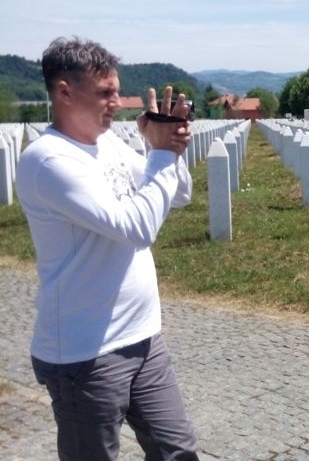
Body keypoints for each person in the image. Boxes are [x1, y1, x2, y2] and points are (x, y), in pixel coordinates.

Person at [15, 37, 199, 460]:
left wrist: (170, 148)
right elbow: (136, 226)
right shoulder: (48, 161)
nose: (118, 102)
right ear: (65, 91)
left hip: (144, 338)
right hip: (86, 355)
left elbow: (180, 193)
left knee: (178, 452)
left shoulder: (109, 142)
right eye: (105, 93)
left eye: (117, 90)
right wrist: (160, 151)